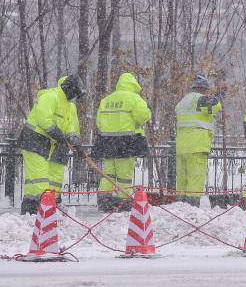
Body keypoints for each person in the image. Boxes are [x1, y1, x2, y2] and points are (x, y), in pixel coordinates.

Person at [17, 75, 84, 214]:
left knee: (34, 180)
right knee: (40, 177)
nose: (75, 97)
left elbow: (68, 125)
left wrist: (74, 140)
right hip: (34, 139)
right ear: (70, 89)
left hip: (43, 142)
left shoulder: (66, 105)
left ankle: (31, 208)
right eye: (75, 93)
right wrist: (57, 133)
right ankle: (46, 211)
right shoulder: (51, 96)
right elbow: (43, 118)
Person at [93, 72, 152, 212]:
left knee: (108, 174)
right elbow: (142, 117)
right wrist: (148, 111)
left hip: (106, 142)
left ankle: (104, 201)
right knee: (123, 176)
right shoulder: (134, 98)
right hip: (127, 142)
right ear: (133, 85)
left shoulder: (106, 100)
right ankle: (123, 202)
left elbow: (99, 122)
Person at [174, 73, 225, 207]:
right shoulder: (199, 99)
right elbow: (212, 107)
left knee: (182, 179)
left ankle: (180, 205)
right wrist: (219, 98)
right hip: (196, 146)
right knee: (195, 178)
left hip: (181, 147)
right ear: (203, 89)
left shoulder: (182, 102)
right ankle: (192, 206)